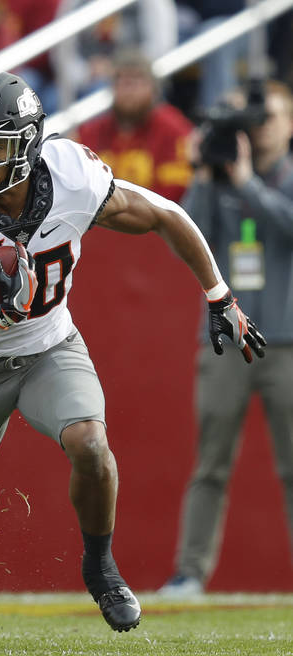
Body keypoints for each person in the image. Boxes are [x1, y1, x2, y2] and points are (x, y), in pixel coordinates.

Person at [0, 71, 266, 648]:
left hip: (50, 348)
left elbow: (165, 213)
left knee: (90, 442)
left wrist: (220, 295)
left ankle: (100, 566)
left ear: (30, 142)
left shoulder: (73, 177)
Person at [159, 79, 293, 597]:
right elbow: (183, 240)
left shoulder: (276, 178)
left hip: (286, 343)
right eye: (252, 119)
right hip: (225, 342)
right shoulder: (217, 179)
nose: (259, 128)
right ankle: (190, 572)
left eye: (270, 117)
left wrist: (247, 183)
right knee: (210, 465)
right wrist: (202, 173)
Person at [77, 50, 193, 204]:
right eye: (123, 82)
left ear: (153, 88)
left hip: (153, 223)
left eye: (137, 82)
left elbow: (174, 193)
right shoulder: (91, 132)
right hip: (99, 223)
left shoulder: (174, 129)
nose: (129, 90)